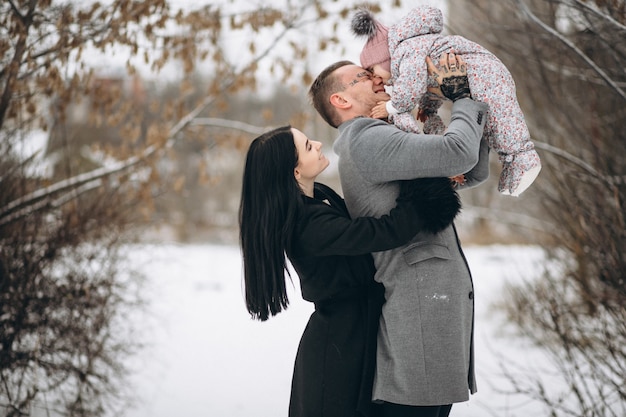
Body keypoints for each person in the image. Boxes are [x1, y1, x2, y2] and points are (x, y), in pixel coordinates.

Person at [308, 53, 488, 417]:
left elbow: (471, 171)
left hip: (431, 315)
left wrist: (470, 108)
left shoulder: (386, 132)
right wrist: (463, 95)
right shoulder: (365, 139)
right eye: (362, 76)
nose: (377, 77)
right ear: (341, 100)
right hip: (419, 316)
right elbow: (458, 152)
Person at [239, 125, 437, 417]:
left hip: (355, 331)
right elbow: (387, 232)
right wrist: (425, 183)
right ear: (295, 172)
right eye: (308, 146)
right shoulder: (307, 226)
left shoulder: (318, 196)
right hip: (340, 347)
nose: (318, 144)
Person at [351, 6, 541, 196]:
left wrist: (390, 107)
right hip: (479, 77)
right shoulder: (410, 54)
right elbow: (429, 80)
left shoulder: (405, 51)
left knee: (504, 124)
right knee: (493, 128)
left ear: (384, 59)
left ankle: (524, 159)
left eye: (373, 72)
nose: (377, 80)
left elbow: (410, 88)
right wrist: (428, 107)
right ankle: (513, 167)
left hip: (484, 75)